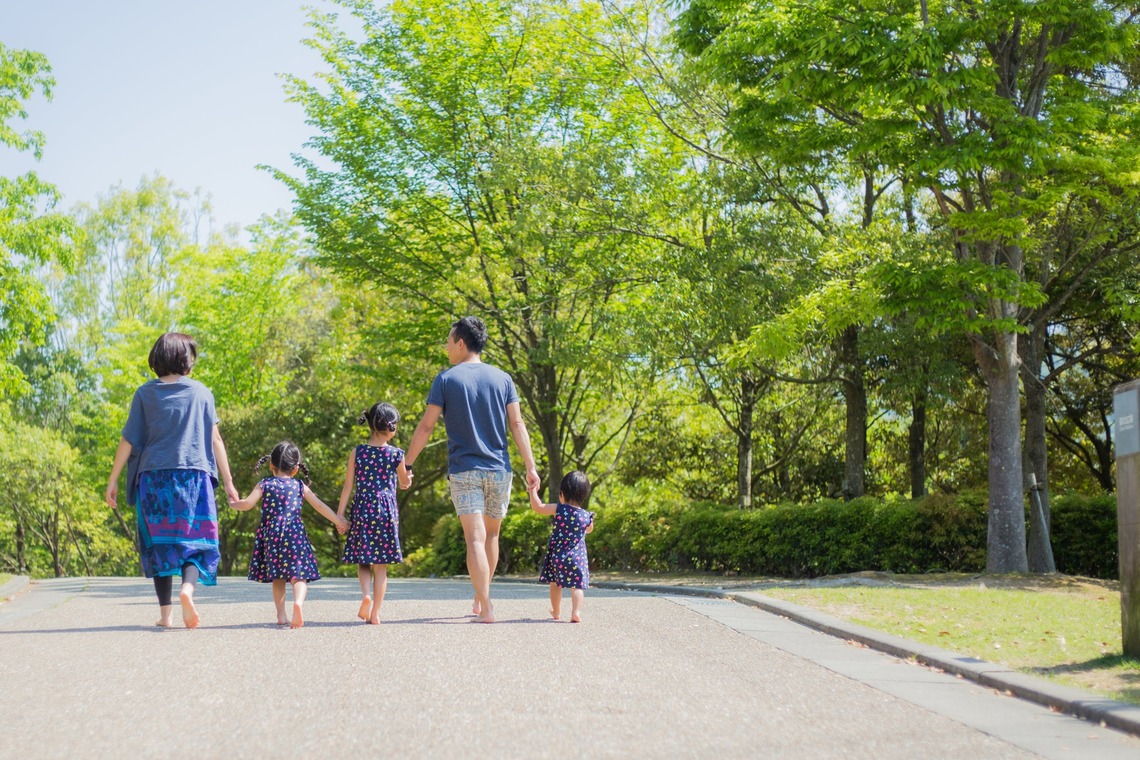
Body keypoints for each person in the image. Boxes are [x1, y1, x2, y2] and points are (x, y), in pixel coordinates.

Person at [405, 316, 541, 623]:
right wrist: (530, 465)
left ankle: (487, 606)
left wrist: (407, 463)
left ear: (461, 342)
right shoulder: (503, 378)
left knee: (475, 539)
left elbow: (426, 427)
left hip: (465, 470)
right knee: (491, 536)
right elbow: (517, 424)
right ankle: (483, 599)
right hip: (499, 469)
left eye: (449, 340)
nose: (446, 346)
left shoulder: (446, 379)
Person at [105, 332, 240, 629]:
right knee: (198, 541)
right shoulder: (202, 393)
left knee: (159, 544)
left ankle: (165, 616)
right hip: (194, 476)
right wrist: (229, 482)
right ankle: (187, 590)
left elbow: (129, 439)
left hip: (153, 479)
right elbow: (215, 439)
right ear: (185, 360)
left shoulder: (144, 393)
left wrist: (113, 479)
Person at [229, 441, 347, 629]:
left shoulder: (265, 484)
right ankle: (298, 604)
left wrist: (233, 503)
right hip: (295, 534)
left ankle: (281, 615)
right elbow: (319, 505)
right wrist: (339, 521)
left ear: (271, 465)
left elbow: (247, 504)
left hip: (273, 536)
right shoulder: (299, 486)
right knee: (299, 576)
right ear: (295, 469)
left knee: (278, 577)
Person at [337, 402, 411, 624]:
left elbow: (348, 487)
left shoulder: (357, 452)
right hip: (386, 511)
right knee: (381, 566)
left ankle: (366, 595)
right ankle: (376, 614)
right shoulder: (397, 454)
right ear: (390, 428)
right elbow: (404, 482)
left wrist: (340, 515)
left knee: (363, 560)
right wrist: (408, 480)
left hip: (363, 508)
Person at [527, 471, 595, 623]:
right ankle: (576, 612)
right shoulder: (586, 516)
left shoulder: (559, 509)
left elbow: (538, 507)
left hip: (558, 556)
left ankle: (556, 612)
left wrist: (532, 492)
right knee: (576, 587)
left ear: (562, 494)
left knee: (555, 585)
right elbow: (589, 530)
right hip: (577, 558)